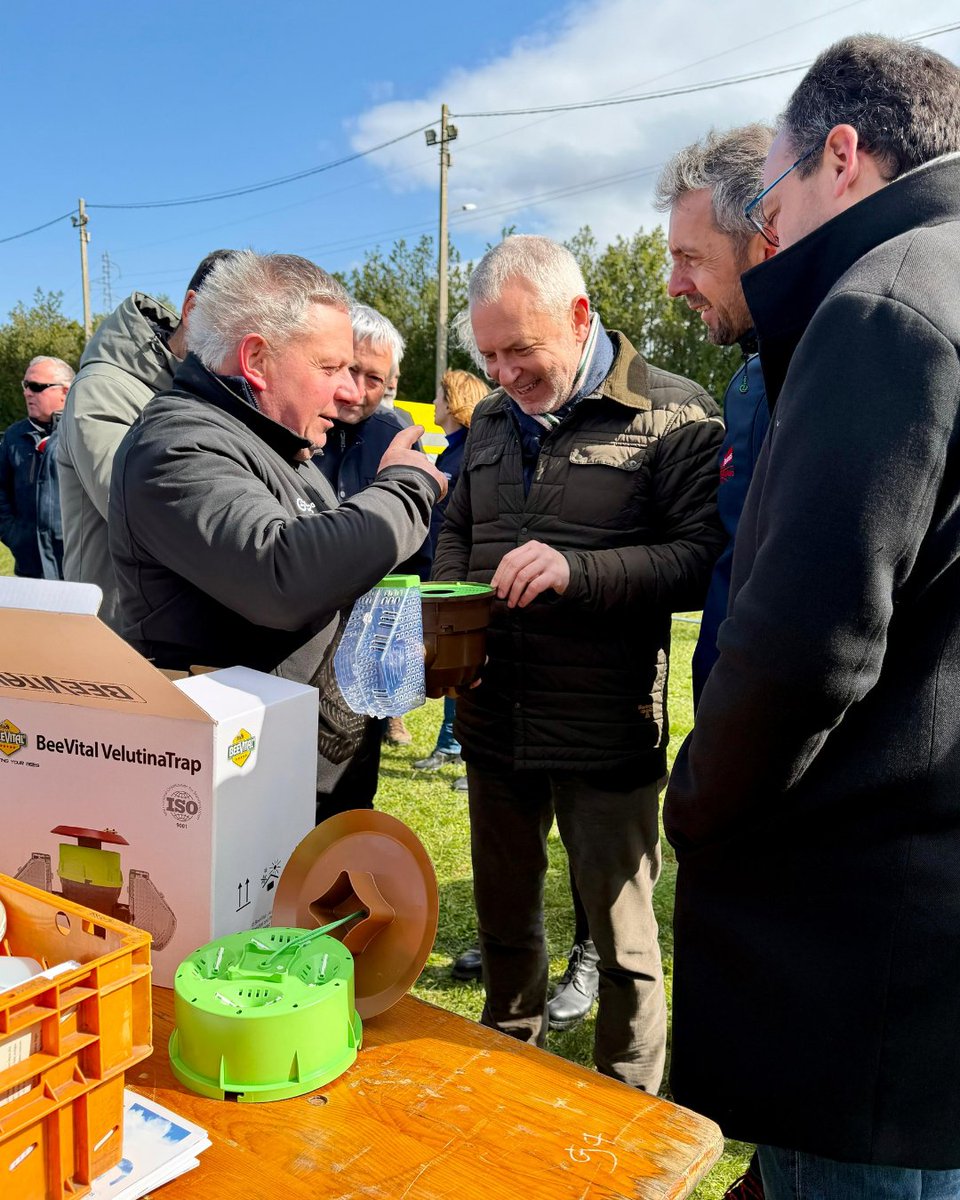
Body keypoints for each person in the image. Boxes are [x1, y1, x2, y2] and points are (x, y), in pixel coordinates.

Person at [664, 35, 960, 1198]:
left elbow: (806, 646)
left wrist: (698, 801)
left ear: (844, 154)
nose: (769, 232)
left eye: (772, 196)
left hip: (861, 922)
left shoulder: (884, 304)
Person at [434, 234, 723, 1092]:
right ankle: (505, 1069)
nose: (503, 374)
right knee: (506, 927)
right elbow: (457, 525)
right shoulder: (486, 418)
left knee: (626, 946)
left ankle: (630, 1107)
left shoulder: (675, 413)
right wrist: (454, 611)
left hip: (604, 729)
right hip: (492, 720)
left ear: (580, 315)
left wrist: (578, 571)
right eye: (487, 355)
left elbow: (704, 558)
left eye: (520, 350)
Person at [109, 251, 445, 806]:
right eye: (331, 367)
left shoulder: (280, 445)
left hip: (300, 780)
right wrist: (407, 488)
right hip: (233, 793)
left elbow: (327, 575)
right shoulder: (176, 444)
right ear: (257, 359)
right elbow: (283, 576)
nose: (350, 391)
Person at [655, 124, 776, 711]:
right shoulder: (748, 381)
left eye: (690, 259)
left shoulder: (834, 365)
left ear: (765, 236)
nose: (676, 286)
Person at [58, 250, 235, 631]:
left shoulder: (206, 391)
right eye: (236, 328)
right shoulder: (103, 389)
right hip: (116, 642)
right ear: (192, 310)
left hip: (176, 635)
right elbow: (147, 514)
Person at [313, 303, 426, 812]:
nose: (358, 390)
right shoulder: (294, 426)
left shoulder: (396, 436)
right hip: (298, 641)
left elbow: (422, 540)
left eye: (374, 378)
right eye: (349, 370)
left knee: (354, 789)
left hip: (368, 644)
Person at [412, 368, 489, 787]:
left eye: (440, 397)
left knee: (463, 665)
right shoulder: (452, 451)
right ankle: (451, 744)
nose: (435, 404)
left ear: (455, 401)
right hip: (443, 576)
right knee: (450, 664)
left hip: (462, 584)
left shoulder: (469, 455)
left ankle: (463, 749)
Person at [0, 355, 74, 579]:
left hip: (77, 568)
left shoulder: (82, 433)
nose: (27, 392)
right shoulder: (14, 437)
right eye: (26, 385)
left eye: (36, 386)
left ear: (65, 391)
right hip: (30, 569)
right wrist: (15, 536)